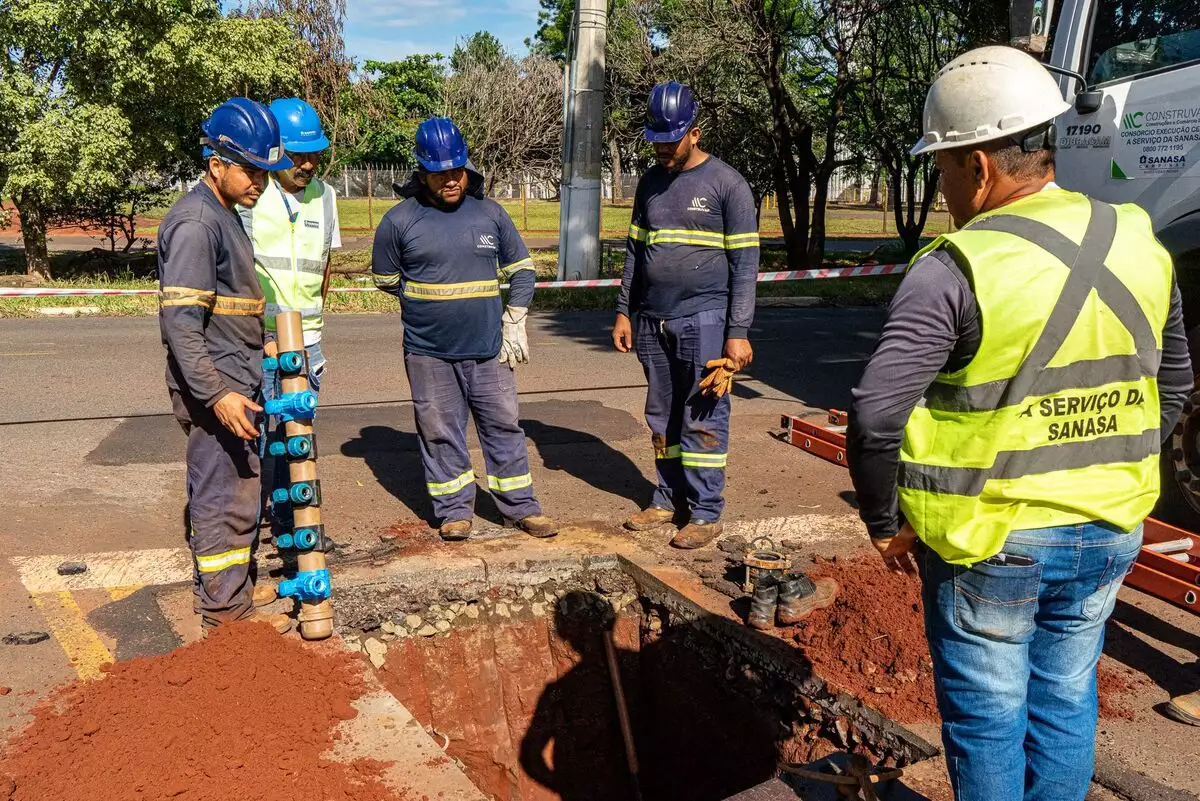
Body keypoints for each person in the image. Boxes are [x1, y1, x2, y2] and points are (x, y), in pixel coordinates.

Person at [846, 46, 1193, 801]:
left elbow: (874, 416)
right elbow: (1176, 385)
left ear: (978, 166)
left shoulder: (955, 267)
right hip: (1109, 530)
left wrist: (882, 521)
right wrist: (1112, 464)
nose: (943, 191)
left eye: (941, 171)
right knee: (1066, 699)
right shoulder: (1139, 237)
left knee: (989, 719)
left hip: (990, 543)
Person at [370, 117, 558, 542]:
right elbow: (386, 279)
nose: (451, 180)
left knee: (504, 426)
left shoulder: (490, 213)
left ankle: (521, 507)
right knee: (439, 430)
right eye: (440, 173)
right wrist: (427, 304)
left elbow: (523, 270)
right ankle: (455, 511)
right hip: (427, 351)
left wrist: (515, 318)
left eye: (457, 170)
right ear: (422, 173)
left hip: (489, 349)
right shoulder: (399, 221)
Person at [158, 98, 296, 632]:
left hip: (236, 379)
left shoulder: (224, 215)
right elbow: (183, 325)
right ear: (217, 163)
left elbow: (226, 303)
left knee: (235, 493)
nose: (261, 180)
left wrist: (261, 341)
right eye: (252, 169)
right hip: (219, 391)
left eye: (265, 170)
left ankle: (225, 599)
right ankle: (225, 616)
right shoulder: (197, 223)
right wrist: (217, 395)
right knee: (224, 498)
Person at [611, 80, 759, 549]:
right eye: (655, 139)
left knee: (702, 415)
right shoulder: (650, 184)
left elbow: (746, 265)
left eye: (670, 140)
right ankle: (667, 497)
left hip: (707, 320)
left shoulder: (727, 185)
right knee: (662, 416)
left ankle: (706, 511)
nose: (661, 149)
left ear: (695, 132)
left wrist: (737, 332)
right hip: (652, 320)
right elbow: (635, 252)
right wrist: (624, 312)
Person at [238, 97, 340, 538]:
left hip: (308, 338)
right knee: (256, 431)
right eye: (298, 155)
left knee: (297, 430)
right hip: (259, 335)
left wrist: (314, 324)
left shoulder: (327, 197)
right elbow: (237, 271)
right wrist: (259, 334)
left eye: (314, 154)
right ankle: (247, 520)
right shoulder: (251, 196)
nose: (308, 164)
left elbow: (325, 269)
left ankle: (289, 519)